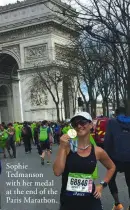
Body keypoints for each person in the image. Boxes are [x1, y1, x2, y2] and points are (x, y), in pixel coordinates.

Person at [53, 112, 115, 210]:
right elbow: (57, 172)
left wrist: (102, 185)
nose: (79, 126)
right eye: (75, 124)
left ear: (91, 125)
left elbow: (111, 167)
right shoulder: (67, 148)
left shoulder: (98, 151)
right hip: (69, 201)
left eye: (82, 122)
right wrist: (62, 146)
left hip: (91, 200)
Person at [104, 107, 130, 210]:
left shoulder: (112, 122)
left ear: (116, 113)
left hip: (114, 158)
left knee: (111, 179)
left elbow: (108, 140)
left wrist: (107, 155)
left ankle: (117, 204)